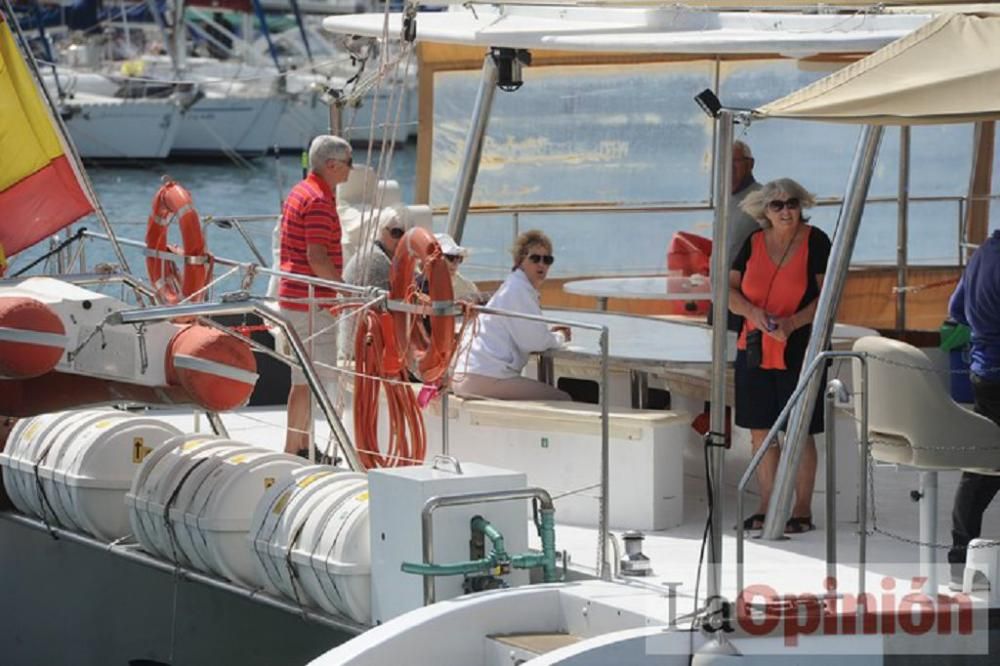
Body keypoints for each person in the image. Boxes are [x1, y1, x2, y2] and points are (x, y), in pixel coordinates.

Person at [728, 178, 831, 534]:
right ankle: (767, 504)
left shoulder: (815, 241)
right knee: (761, 432)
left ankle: (802, 510)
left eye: (792, 203)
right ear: (765, 211)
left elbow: (829, 296)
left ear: (802, 205)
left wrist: (792, 323)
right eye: (777, 205)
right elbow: (728, 290)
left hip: (800, 348)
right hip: (754, 348)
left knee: (799, 432)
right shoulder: (753, 242)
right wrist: (753, 314)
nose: (786, 211)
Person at [277, 134, 353, 457]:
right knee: (310, 378)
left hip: (294, 298)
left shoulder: (300, 192)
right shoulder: (320, 201)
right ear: (332, 165)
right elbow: (317, 257)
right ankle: (296, 447)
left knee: (302, 378)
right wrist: (345, 290)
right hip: (310, 303)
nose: (351, 170)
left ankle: (301, 445)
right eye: (348, 164)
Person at [452, 230, 572, 401]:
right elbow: (534, 342)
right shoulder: (518, 290)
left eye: (547, 260)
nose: (542, 265)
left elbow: (530, 333)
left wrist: (547, 335)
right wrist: (559, 337)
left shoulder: (516, 287)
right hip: (484, 377)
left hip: (471, 375)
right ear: (520, 261)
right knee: (562, 398)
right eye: (535, 258)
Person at [947, 228, 1000, 590]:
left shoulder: (982, 254)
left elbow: (955, 311)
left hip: (985, 373)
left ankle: (959, 559)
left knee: (983, 467)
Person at [340, 207, 408, 360]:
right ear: (381, 230)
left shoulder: (382, 255)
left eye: (406, 234)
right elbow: (392, 310)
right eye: (396, 233)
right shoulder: (376, 260)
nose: (402, 240)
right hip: (363, 349)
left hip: (363, 342)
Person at [434, 233, 479, 301]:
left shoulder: (468, 287)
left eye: (459, 258)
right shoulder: (418, 285)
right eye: (451, 257)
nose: (456, 263)